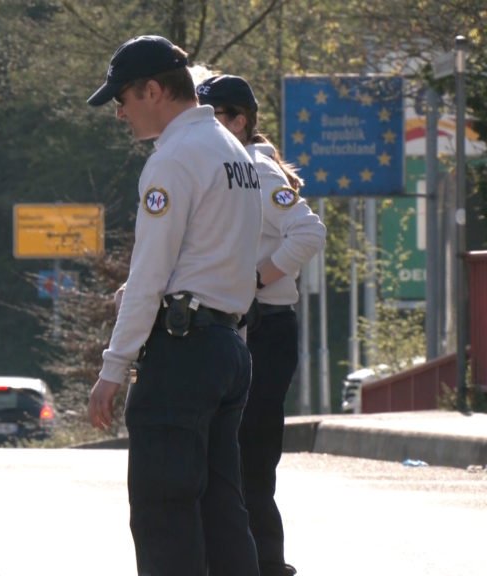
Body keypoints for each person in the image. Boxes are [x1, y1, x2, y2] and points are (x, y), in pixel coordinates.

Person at [85, 35, 262, 576]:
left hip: (182, 354)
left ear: (155, 90)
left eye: (123, 98)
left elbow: (149, 273)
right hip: (227, 345)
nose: (119, 112)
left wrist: (113, 368)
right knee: (222, 512)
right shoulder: (234, 151)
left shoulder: (174, 160)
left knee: (165, 514)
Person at [197, 74, 327, 576]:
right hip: (248, 327)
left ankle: (263, 561)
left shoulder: (255, 167)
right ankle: (245, 558)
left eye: (215, 119)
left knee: (250, 452)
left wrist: (252, 280)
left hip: (265, 326)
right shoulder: (233, 165)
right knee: (236, 451)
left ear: (239, 120)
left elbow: (308, 231)